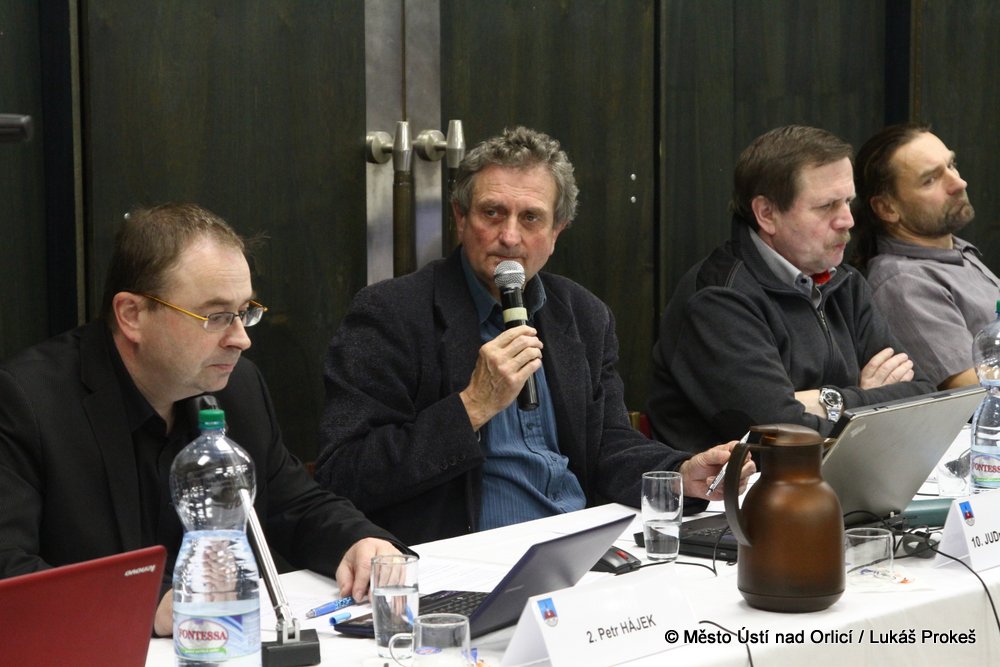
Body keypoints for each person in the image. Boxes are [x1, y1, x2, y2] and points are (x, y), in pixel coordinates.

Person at [315, 126, 753, 545]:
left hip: (578, 545)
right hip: (467, 556)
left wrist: (680, 474)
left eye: (530, 218)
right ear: (460, 217)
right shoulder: (392, 313)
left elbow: (607, 445)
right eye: (492, 213)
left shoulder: (583, 315)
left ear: (557, 231)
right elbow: (345, 475)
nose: (509, 236)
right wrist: (472, 407)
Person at [0, 203, 404, 636]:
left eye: (244, 311)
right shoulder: (30, 402)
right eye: (216, 317)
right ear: (132, 315)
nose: (241, 339)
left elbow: (293, 505)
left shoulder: (237, 387)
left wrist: (358, 541)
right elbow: (9, 567)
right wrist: (153, 605)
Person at [646, 125, 936, 453]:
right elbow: (778, 434)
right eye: (827, 206)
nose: (847, 220)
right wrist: (864, 397)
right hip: (743, 483)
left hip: (845, 470)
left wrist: (828, 401)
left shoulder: (846, 282)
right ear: (767, 214)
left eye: (847, 202)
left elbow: (923, 395)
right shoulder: (719, 299)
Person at [852, 123, 999, 389]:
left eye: (952, 165)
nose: (959, 183)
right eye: (930, 180)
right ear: (887, 208)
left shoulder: (953, 250)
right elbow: (973, 387)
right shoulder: (905, 282)